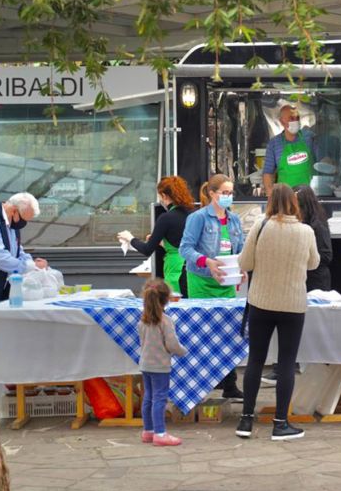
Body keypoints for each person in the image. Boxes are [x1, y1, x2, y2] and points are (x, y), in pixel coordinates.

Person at [236, 184, 320, 441]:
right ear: (294, 204)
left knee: (256, 361)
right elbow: (314, 262)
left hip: (261, 302)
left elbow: (245, 263)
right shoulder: (306, 231)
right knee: (285, 363)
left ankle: (246, 420)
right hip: (293, 304)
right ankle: (280, 423)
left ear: (270, 202)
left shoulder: (260, 227)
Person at [180, 174, 245, 399]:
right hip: (202, 281)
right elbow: (185, 249)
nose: (228, 197)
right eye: (224, 193)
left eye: (231, 193)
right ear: (212, 193)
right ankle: (199, 386)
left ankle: (230, 385)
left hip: (226, 282)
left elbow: (241, 249)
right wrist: (206, 261)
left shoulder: (234, 219)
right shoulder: (198, 218)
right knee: (202, 334)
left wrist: (243, 268)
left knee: (228, 334)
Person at [118, 176, 194, 297]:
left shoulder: (166, 218)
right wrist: (163, 243)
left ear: (164, 195)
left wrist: (130, 238)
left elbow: (147, 249)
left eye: (159, 196)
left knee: (176, 308)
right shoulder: (193, 214)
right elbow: (182, 242)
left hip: (177, 271)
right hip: (194, 269)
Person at [138, 279, 188, 447]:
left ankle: (148, 431)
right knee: (160, 398)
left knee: (148, 397)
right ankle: (160, 433)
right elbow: (172, 344)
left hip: (145, 364)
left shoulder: (143, 320)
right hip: (160, 366)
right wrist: (182, 351)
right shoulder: (166, 321)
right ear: (166, 299)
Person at [0, 192, 48, 306]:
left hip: (7, 286)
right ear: (14, 210)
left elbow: (17, 249)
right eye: (23, 219)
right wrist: (30, 266)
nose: (23, 223)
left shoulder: (12, 222)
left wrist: (31, 262)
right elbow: (0, 258)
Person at [262, 104, 318, 193]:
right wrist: (271, 194)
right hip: (286, 198)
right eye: (291, 118)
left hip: (309, 197)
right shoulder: (274, 144)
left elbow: (321, 160)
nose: (295, 121)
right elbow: (267, 173)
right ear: (282, 122)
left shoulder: (309, 137)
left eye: (297, 118)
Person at [296, 186, 333, 292]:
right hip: (304, 278)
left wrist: (302, 259)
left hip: (316, 280)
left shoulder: (317, 224)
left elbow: (326, 255)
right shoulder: (304, 222)